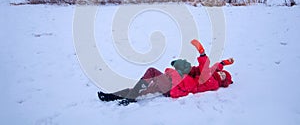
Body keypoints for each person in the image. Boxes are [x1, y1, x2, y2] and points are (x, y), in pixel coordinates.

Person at [98, 39, 234, 105]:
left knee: (151, 72)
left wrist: (202, 53)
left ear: (223, 82)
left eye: (223, 77)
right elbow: (203, 69)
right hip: (173, 84)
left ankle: (130, 98)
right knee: (140, 89)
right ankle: (112, 96)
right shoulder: (206, 73)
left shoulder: (213, 84)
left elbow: (206, 73)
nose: (221, 75)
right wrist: (223, 64)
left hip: (175, 86)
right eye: (222, 73)